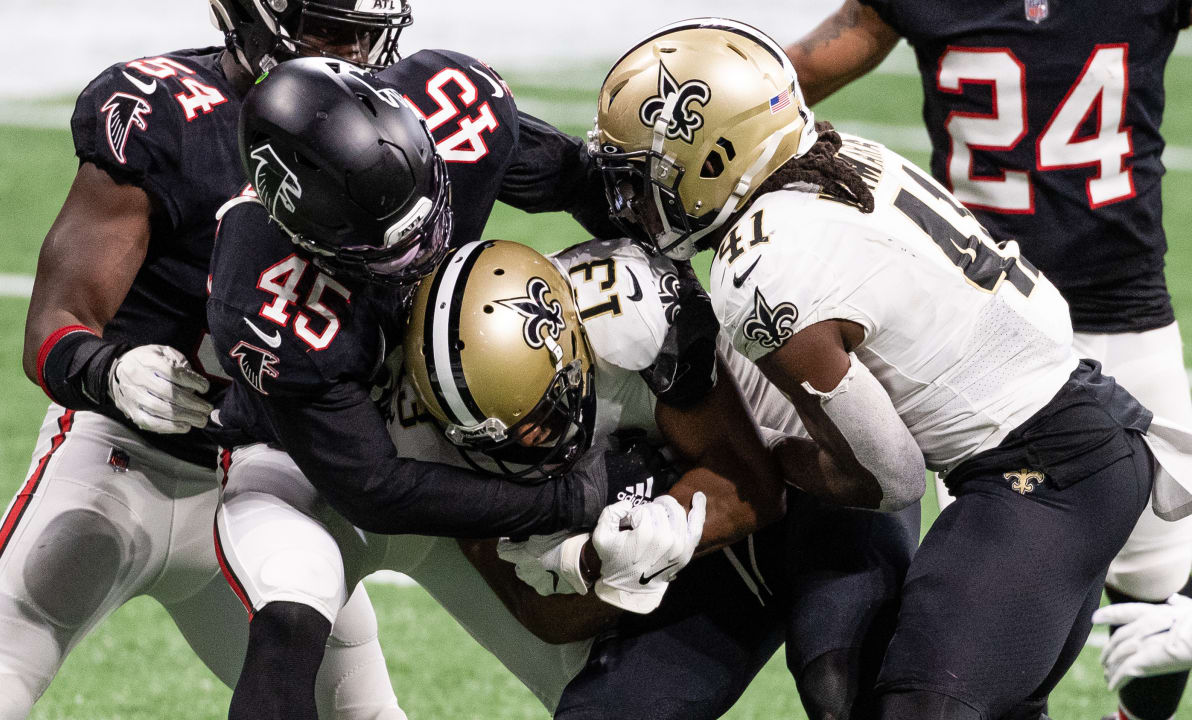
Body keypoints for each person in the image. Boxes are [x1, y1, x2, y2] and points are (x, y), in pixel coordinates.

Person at [588, 17, 1192, 719]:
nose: (633, 200)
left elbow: (888, 477)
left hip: (1044, 476)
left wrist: (772, 458)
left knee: (920, 708)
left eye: (644, 175)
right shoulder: (846, 157)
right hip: (1074, 439)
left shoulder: (762, 266)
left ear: (717, 157)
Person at [0, 3, 416, 720]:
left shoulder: (384, 130)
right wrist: (108, 371)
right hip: (119, 462)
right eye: (332, 28)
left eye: (368, 30)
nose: (358, 52)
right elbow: (55, 324)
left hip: (263, 485)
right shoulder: (166, 111)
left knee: (364, 713)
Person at [215, 236, 920, 719]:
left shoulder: (634, 315)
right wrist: (605, 568)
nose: (534, 446)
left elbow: (755, 483)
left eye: (541, 414)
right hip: (695, 556)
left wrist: (673, 517)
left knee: (841, 680)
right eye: (502, 438)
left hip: (810, 479)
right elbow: (541, 614)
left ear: (574, 340)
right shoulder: (415, 439)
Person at [204, 55, 644, 719]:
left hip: (455, 433)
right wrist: (565, 500)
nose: (422, 255)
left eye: (430, 213)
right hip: (300, 467)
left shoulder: (459, 110)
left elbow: (589, 187)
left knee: (606, 688)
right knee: (291, 621)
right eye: (385, 249)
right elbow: (372, 489)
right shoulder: (263, 291)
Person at [783, 3, 1192, 716]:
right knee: (987, 624)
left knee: (1159, 592)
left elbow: (781, 83)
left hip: (1119, 312)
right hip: (980, 334)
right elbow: (780, 87)